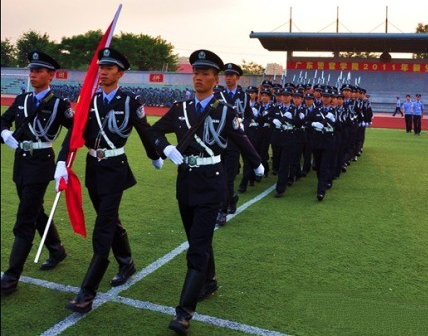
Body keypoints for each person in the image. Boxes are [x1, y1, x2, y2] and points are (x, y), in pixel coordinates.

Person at [151, 49, 264, 335]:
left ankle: (184, 312)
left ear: (215, 79)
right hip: (185, 182)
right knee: (196, 238)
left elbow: (241, 139)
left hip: (211, 182)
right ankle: (210, 279)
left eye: (205, 74)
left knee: (197, 247)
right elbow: (154, 131)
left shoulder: (224, 110)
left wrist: (257, 164)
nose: (199, 78)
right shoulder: (180, 109)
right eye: (196, 73)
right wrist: (165, 148)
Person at [60, 48, 162, 313]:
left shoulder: (129, 101)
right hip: (94, 167)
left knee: (103, 227)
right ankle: (126, 262)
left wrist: (155, 154)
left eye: (109, 68)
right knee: (110, 219)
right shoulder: (90, 100)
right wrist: (62, 161)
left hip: (116, 169)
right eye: (101, 68)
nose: (103, 72)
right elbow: (74, 134)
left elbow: (144, 129)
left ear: (120, 73)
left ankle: (87, 292)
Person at [1, 51, 74, 295]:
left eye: (39, 71)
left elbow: (75, 133)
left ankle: (11, 277)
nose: (33, 75)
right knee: (34, 210)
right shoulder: (22, 99)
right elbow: (3, 121)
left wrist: (63, 161)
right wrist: (4, 133)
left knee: (24, 219)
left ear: (51, 75)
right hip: (21, 162)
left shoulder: (58, 104)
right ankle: (55, 248)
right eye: (31, 70)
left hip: (42, 163)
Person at [214, 63, 252, 226]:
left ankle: (222, 212)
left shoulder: (244, 96)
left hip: (234, 142)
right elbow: (212, 113)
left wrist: (245, 125)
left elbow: (249, 115)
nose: (228, 78)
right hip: (218, 140)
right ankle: (232, 197)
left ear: (238, 78)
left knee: (228, 177)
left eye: (232, 75)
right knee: (218, 176)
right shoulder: (218, 95)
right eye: (226, 75)